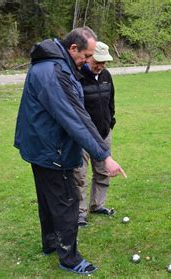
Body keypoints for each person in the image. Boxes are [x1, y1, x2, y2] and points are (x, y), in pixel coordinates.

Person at [14, 27, 126, 275]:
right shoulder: (55, 72)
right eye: (86, 56)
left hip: (40, 147)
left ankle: (51, 243)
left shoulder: (53, 65)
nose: (88, 62)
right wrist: (104, 156)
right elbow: (75, 117)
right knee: (67, 201)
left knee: (48, 199)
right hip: (53, 150)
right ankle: (70, 258)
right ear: (73, 49)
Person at [74, 42, 117, 227]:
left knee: (102, 171)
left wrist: (110, 122)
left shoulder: (107, 76)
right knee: (79, 175)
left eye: (104, 62)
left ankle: (97, 205)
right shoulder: (77, 76)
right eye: (97, 61)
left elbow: (111, 102)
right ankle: (80, 213)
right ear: (88, 57)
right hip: (82, 136)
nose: (100, 66)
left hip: (103, 133)